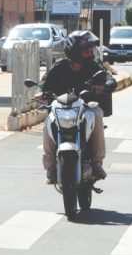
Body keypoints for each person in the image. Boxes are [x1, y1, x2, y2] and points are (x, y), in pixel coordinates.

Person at [36, 30, 115, 184]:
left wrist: (104, 87)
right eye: (86, 51)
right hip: (62, 108)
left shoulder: (94, 67)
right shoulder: (59, 67)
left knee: (97, 115)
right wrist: (39, 93)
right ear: (75, 52)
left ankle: (97, 164)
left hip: (86, 107)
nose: (90, 54)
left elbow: (109, 79)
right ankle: (50, 167)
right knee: (48, 123)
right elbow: (43, 83)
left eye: (90, 50)